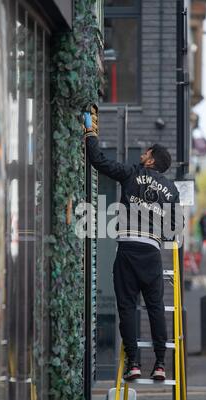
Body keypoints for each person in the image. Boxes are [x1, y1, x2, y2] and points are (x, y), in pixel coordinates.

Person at [84, 112, 183, 381]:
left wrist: (90, 133)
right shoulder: (171, 189)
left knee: (127, 307)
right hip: (151, 253)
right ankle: (161, 364)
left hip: (127, 250)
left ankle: (134, 364)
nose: (142, 155)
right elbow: (175, 229)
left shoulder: (132, 173)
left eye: (146, 152)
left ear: (150, 159)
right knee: (155, 308)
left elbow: (99, 161)